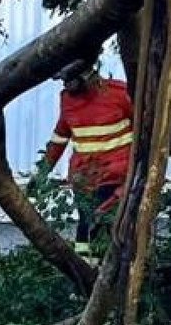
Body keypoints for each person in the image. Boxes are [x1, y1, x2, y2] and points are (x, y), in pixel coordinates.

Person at [39, 59, 135, 254]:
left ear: (87, 75)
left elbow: (146, 125)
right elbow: (60, 136)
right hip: (83, 178)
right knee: (86, 223)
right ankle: (85, 265)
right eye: (64, 81)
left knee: (106, 226)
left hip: (116, 177)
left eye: (70, 80)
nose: (66, 85)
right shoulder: (67, 99)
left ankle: (108, 264)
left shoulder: (119, 93)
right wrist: (42, 172)